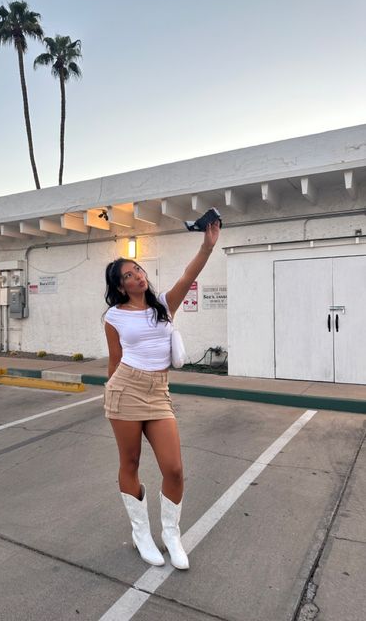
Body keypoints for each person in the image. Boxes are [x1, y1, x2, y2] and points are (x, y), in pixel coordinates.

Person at [103, 220, 221, 569]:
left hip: (158, 393)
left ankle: (171, 534)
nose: (138, 276)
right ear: (120, 286)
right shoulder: (114, 316)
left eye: (138, 269)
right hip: (125, 389)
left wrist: (208, 244)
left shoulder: (164, 306)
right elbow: (114, 360)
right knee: (131, 464)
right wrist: (110, 395)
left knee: (174, 468)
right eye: (128, 275)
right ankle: (142, 534)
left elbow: (188, 274)